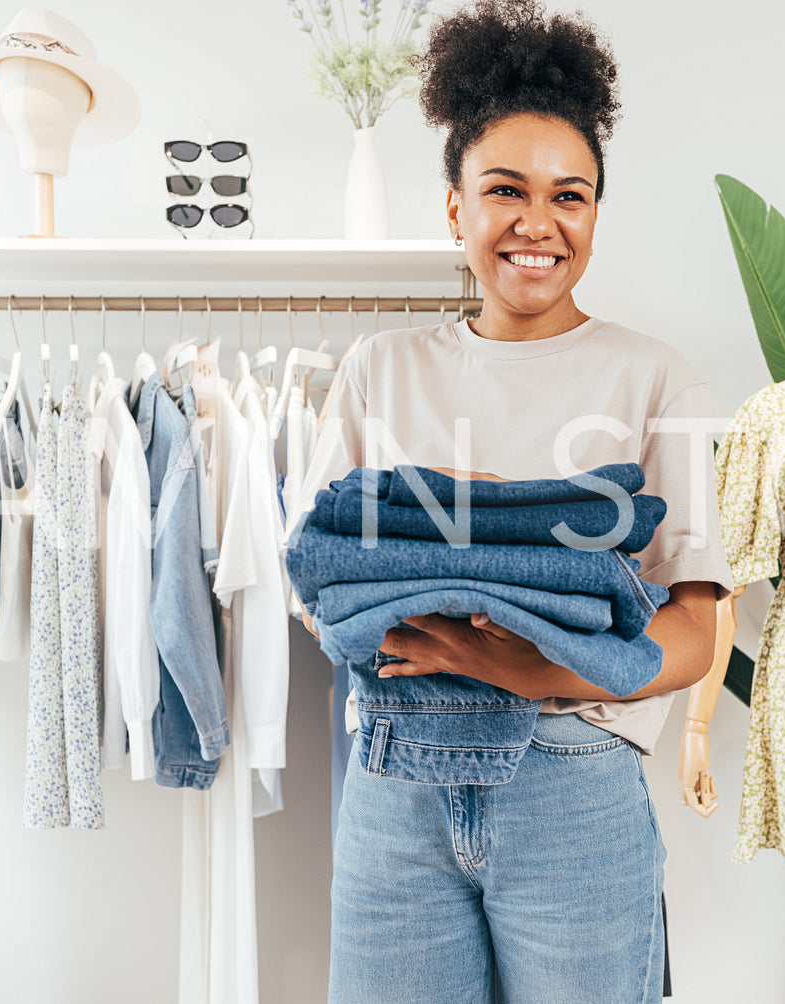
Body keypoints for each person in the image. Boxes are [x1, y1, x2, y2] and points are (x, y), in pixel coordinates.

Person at [290, 2, 733, 999]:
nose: (537, 223)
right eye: (504, 190)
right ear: (455, 208)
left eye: (567, 196)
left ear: (592, 215)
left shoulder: (655, 380)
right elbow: (315, 576)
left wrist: (526, 664)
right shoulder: (380, 370)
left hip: (573, 783)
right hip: (393, 783)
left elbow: (698, 630)